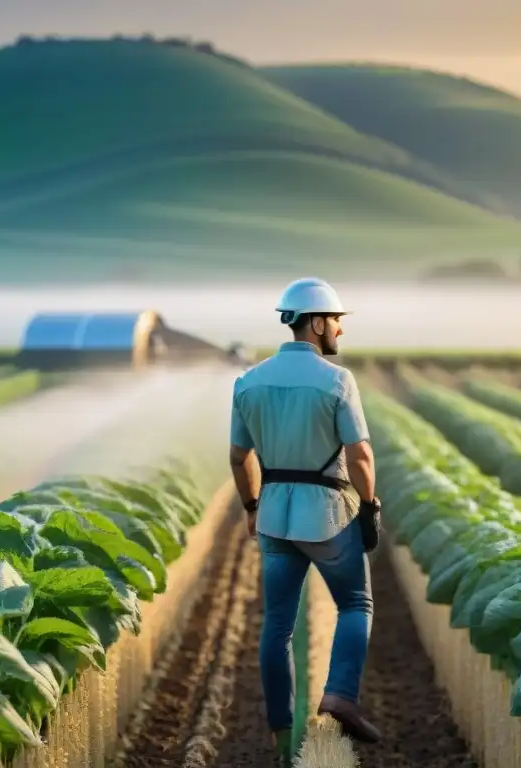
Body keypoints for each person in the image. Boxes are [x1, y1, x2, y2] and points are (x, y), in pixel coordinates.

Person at [228, 277, 382, 765]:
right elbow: (359, 454)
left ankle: (281, 736)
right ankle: (339, 696)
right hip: (329, 515)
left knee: (276, 626)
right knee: (355, 603)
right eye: (336, 320)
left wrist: (252, 508)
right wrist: (371, 504)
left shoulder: (248, 382)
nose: (339, 329)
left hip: (274, 515)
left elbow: (238, 457)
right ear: (316, 323)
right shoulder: (338, 381)